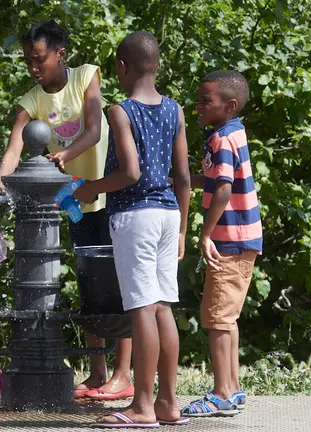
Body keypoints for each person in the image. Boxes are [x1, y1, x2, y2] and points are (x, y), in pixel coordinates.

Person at [0, 20, 133, 400]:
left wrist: (64, 156)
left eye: (39, 59)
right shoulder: (31, 100)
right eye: (28, 60)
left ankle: (123, 374)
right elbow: (13, 148)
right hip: (74, 202)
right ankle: (97, 371)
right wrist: (0, 186)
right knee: (89, 282)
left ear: (61, 54)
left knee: (118, 283)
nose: (34, 67)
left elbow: (94, 130)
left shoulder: (86, 77)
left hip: (106, 193)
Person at [74, 31, 190, 427]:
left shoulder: (120, 111)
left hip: (135, 216)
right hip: (169, 214)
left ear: (122, 67)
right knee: (163, 308)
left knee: (142, 308)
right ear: (157, 65)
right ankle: (168, 404)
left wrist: (92, 188)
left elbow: (130, 172)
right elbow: (183, 177)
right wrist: (183, 229)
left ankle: (142, 406)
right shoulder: (175, 110)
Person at [180, 70, 262, 418]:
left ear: (229, 105)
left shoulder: (221, 140)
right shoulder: (234, 132)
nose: (198, 106)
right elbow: (215, 180)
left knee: (216, 319)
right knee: (227, 318)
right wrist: (180, 179)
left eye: (206, 101)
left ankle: (221, 394)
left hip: (228, 240)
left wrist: (205, 234)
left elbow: (224, 189)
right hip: (242, 238)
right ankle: (233, 389)